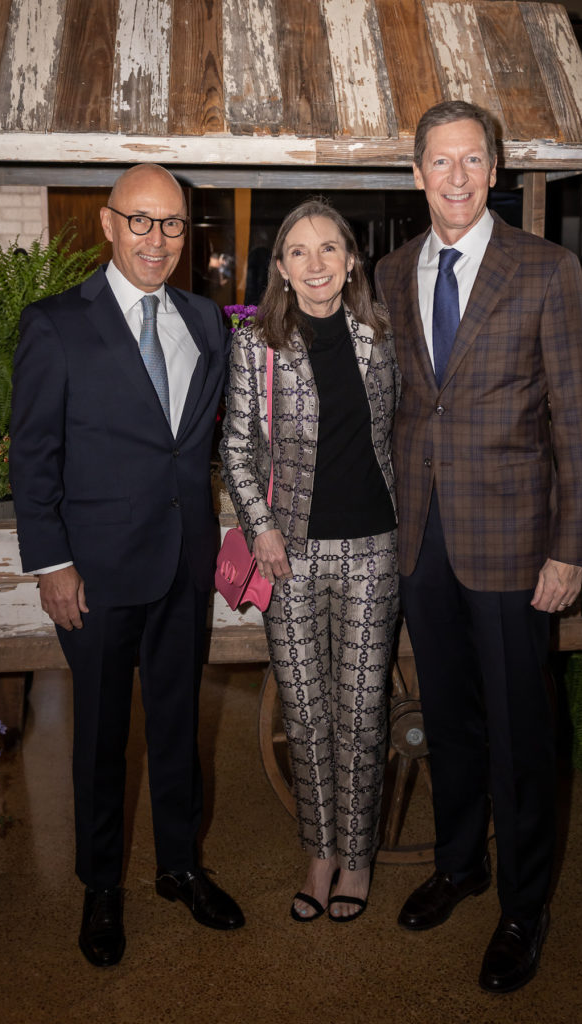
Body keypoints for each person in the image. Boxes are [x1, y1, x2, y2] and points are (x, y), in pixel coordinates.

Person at [375, 101, 582, 992]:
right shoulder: (394, 273)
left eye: (473, 160)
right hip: (422, 540)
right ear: (416, 173)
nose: (457, 177)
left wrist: (570, 549)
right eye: (441, 161)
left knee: (517, 729)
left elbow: (580, 425)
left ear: (495, 169)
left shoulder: (545, 271)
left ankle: (523, 905)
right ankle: (459, 862)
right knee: (448, 719)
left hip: (515, 544)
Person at [9, 163, 244, 968]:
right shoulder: (55, 324)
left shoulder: (207, 322)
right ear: (108, 224)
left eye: (172, 224)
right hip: (97, 572)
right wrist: (52, 563)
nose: (157, 239)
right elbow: (34, 458)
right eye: (140, 221)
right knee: (102, 736)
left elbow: (206, 445)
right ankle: (100, 886)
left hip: (184, 563)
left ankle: (180, 865)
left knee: (180, 723)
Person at [220, 198, 400, 922]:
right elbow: (235, 447)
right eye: (300, 251)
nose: (317, 262)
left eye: (330, 248)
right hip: (287, 552)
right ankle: (318, 854)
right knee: (304, 710)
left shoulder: (381, 334)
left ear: (351, 260)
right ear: (282, 269)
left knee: (360, 710)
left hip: (373, 549)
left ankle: (356, 858)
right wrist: (259, 526)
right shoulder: (255, 342)